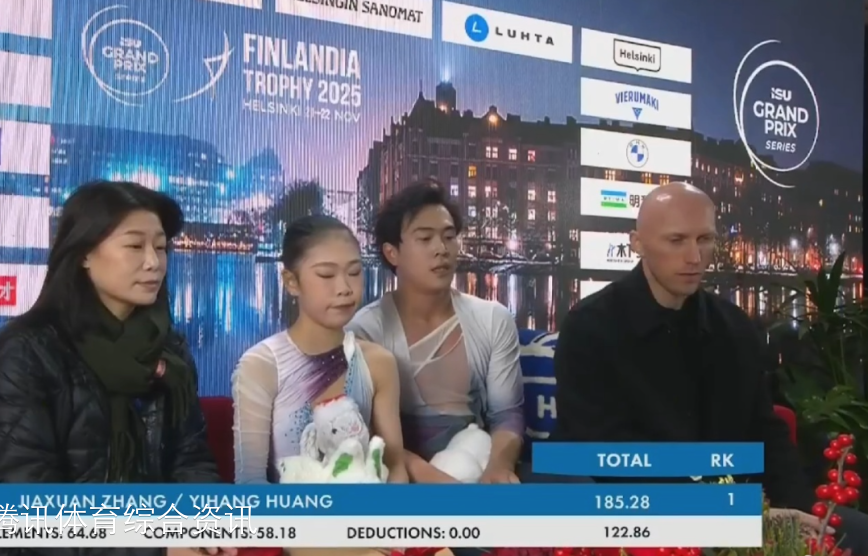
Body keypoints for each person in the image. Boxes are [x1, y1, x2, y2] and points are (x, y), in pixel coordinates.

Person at [552, 181, 868, 553]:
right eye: (676, 240)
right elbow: (607, 455)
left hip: (743, 506)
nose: (694, 257)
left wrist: (799, 516)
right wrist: (737, 515)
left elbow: (765, 431)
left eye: (705, 239)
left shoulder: (733, 326)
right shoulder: (590, 327)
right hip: (644, 513)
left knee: (855, 534)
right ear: (637, 243)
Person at [0, 180, 232, 556]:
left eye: (161, 247)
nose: (153, 262)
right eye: (134, 246)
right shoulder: (26, 351)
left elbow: (191, 458)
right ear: (84, 253)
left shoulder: (169, 350)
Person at [346, 182, 526, 485]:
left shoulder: (492, 319)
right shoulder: (365, 331)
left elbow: (507, 415)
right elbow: (362, 432)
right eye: (425, 238)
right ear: (392, 252)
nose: (441, 249)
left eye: (449, 237)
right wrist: (430, 477)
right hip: (397, 473)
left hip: (475, 457)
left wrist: (498, 469)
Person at [232, 214, 408, 484]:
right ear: (291, 282)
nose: (345, 288)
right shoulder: (261, 365)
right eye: (326, 275)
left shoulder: (378, 363)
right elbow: (250, 484)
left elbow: (394, 467)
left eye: (354, 272)